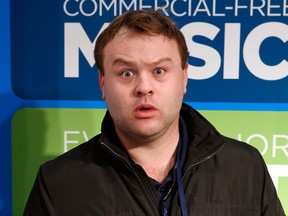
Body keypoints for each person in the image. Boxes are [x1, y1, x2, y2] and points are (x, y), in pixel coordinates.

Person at [24, 10, 285, 216]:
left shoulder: (246, 168)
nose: (144, 88)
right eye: (126, 73)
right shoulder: (58, 183)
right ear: (103, 84)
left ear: (184, 77)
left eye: (159, 71)